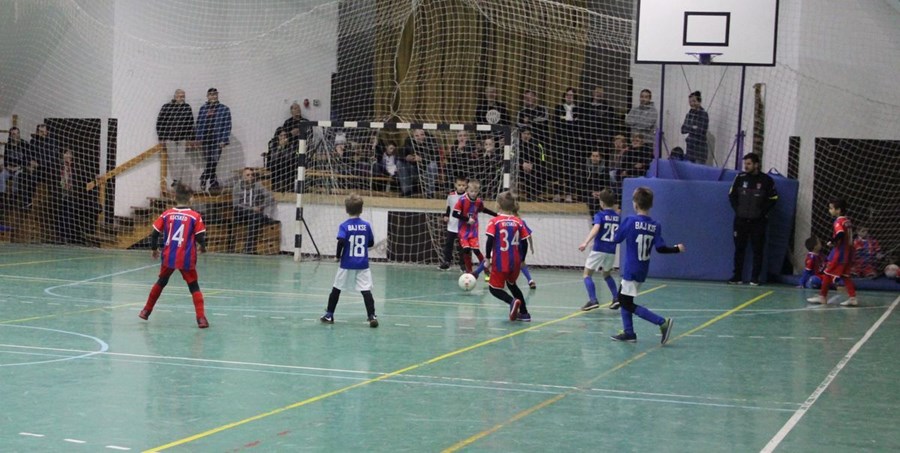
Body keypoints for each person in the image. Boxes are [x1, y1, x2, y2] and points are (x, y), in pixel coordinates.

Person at [610, 187, 683, 344]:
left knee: (625, 302)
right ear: (651, 205)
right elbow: (660, 248)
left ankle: (661, 322)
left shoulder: (630, 221)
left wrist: (617, 221)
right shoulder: (655, 225)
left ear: (635, 204)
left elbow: (616, 239)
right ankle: (629, 332)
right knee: (624, 297)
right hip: (642, 269)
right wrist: (676, 249)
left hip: (631, 268)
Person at [139, 183, 209, 328]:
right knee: (194, 286)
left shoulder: (167, 214)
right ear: (191, 198)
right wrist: (203, 247)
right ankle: (201, 318)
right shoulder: (195, 216)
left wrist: (154, 249)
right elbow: (200, 236)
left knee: (161, 282)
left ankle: (146, 311)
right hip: (186, 257)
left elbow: (154, 234)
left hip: (169, 256)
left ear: (175, 198)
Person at [320, 194, 379, 327]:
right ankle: (372, 316)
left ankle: (329, 315)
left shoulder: (344, 226)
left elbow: (341, 241)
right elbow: (371, 243)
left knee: (336, 288)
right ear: (361, 209)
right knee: (366, 290)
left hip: (346, 263)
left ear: (346, 210)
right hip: (362, 264)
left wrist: (337, 256)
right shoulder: (366, 225)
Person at [728, 153, 778, 285]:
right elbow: (732, 195)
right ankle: (737, 276)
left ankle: (755, 278)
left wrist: (761, 212)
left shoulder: (766, 180)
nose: (746, 166)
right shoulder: (740, 178)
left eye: (749, 164)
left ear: (756, 165)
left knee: (758, 250)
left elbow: (773, 198)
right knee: (739, 249)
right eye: (745, 164)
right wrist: (738, 210)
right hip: (741, 221)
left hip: (758, 222)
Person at [484, 191, 532, 322]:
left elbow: (489, 240)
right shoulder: (518, 222)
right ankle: (524, 313)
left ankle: (512, 301)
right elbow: (524, 242)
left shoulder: (494, 221)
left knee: (494, 289)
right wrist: (522, 259)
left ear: (498, 205)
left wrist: (487, 258)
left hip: (501, 261)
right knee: (512, 285)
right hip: (515, 261)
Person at [807, 198, 858, 307]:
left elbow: (840, 234)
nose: (829, 210)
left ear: (838, 210)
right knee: (845, 276)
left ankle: (822, 296)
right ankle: (852, 297)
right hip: (848, 253)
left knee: (827, 273)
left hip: (839, 253)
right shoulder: (848, 221)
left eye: (831, 208)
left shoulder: (838, 221)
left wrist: (832, 241)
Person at [578, 189, 620, 310]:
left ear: (601, 203)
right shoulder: (618, 217)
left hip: (599, 249)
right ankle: (616, 298)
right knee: (606, 274)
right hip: (611, 250)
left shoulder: (599, 215)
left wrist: (586, 242)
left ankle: (593, 300)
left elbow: (596, 228)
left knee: (587, 274)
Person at [452, 180, 497, 277]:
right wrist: (467, 219)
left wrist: (496, 215)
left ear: (478, 191)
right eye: (471, 191)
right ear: (467, 190)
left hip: (473, 230)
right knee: (466, 250)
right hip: (463, 231)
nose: (473, 193)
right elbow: (454, 214)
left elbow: (483, 210)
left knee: (476, 250)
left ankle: (486, 269)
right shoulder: (462, 200)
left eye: (475, 192)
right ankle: (469, 271)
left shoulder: (479, 201)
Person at [156, 89, 195, 190]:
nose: (182, 98)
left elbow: (191, 123)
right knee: (173, 160)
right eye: (180, 96)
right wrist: (161, 138)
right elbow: (160, 123)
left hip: (182, 138)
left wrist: (192, 138)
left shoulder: (187, 107)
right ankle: (176, 179)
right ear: (175, 96)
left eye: (183, 96)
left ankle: (177, 180)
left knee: (181, 159)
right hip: (170, 138)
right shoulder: (166, 107)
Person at [232, 168, 277, 254]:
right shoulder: (237, 187)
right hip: (241, 212)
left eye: (252, 175)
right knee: (256, 216)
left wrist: (261, 206)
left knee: (255, 217)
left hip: (254, 213)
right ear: (243, 176)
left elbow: (270, 197)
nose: (251, 177)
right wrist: (252, 209)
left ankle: (248, 248)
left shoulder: (257, 185)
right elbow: (236, 204)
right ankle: (249, 247)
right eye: (248, 175)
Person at [195, 87, 232, 191]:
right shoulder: (203, 109)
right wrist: (198, 138)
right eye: (211, 94)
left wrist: (224, 139)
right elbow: (199, 124)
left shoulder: (224, 109)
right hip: (205, 139)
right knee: (209, 160)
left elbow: (227, 125)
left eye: (215, 94)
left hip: (217, 139)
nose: (213, 96)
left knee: (214, 160)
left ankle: (204, 177)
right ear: (207, 96)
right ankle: (213, 182)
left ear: (217, 95)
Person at [440, 176, 468, 271]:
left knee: (462, 246)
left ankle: (463, 264)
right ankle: (447, 262)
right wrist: (446, 215)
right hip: (452, 225)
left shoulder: (468, 197)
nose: (461, 187)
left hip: (463, 226)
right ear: (455, 185)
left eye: (463, 185)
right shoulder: (451, 195)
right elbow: (448, 207)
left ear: (466, 186)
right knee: (449, 245)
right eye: (459, 185)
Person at [517, 127, 548, 201]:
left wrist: (532, 165)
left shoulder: (538, 144)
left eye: (528, 134)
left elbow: (542, 159)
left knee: (540, 171)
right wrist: (522, 163)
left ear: (531, 135)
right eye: (524, 133)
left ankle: (533, 194)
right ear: (521, 134)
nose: (526, 136)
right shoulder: (516, 144)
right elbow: (512, 157)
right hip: (519, 167)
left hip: (533, 167)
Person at [577, 149, 611, 216]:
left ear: (600, 158)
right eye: (593, 156)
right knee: (592, 202)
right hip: (587, 193)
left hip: (601, 193)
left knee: (603, 201)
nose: (595, 158)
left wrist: (600, 193)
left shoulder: (605, 169)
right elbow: (581, 185)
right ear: (590, 157)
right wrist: (591, 193)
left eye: (597, 156)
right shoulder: (584, 168)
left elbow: (607, 184)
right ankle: (594, 219)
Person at [681, 91, 709, 164]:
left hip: (700, 151)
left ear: (699, 101)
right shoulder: (689, 115)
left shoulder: (704, 115)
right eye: (690, 102)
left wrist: (689, 127)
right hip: (690, 150)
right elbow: (683, 129)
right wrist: (693, 127)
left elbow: (700, 131)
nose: (692, 103)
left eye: (694, 101)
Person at [266, 127, 295, 193]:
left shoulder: (291, 145)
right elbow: (273, 158)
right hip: (275, 168)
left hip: (287, 168)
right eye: (281, 135)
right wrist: (280, 147)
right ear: (277, 136)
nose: (283, 137)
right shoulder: (272, 144)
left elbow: (290, 157)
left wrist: (285, 147)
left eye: (285, 135)